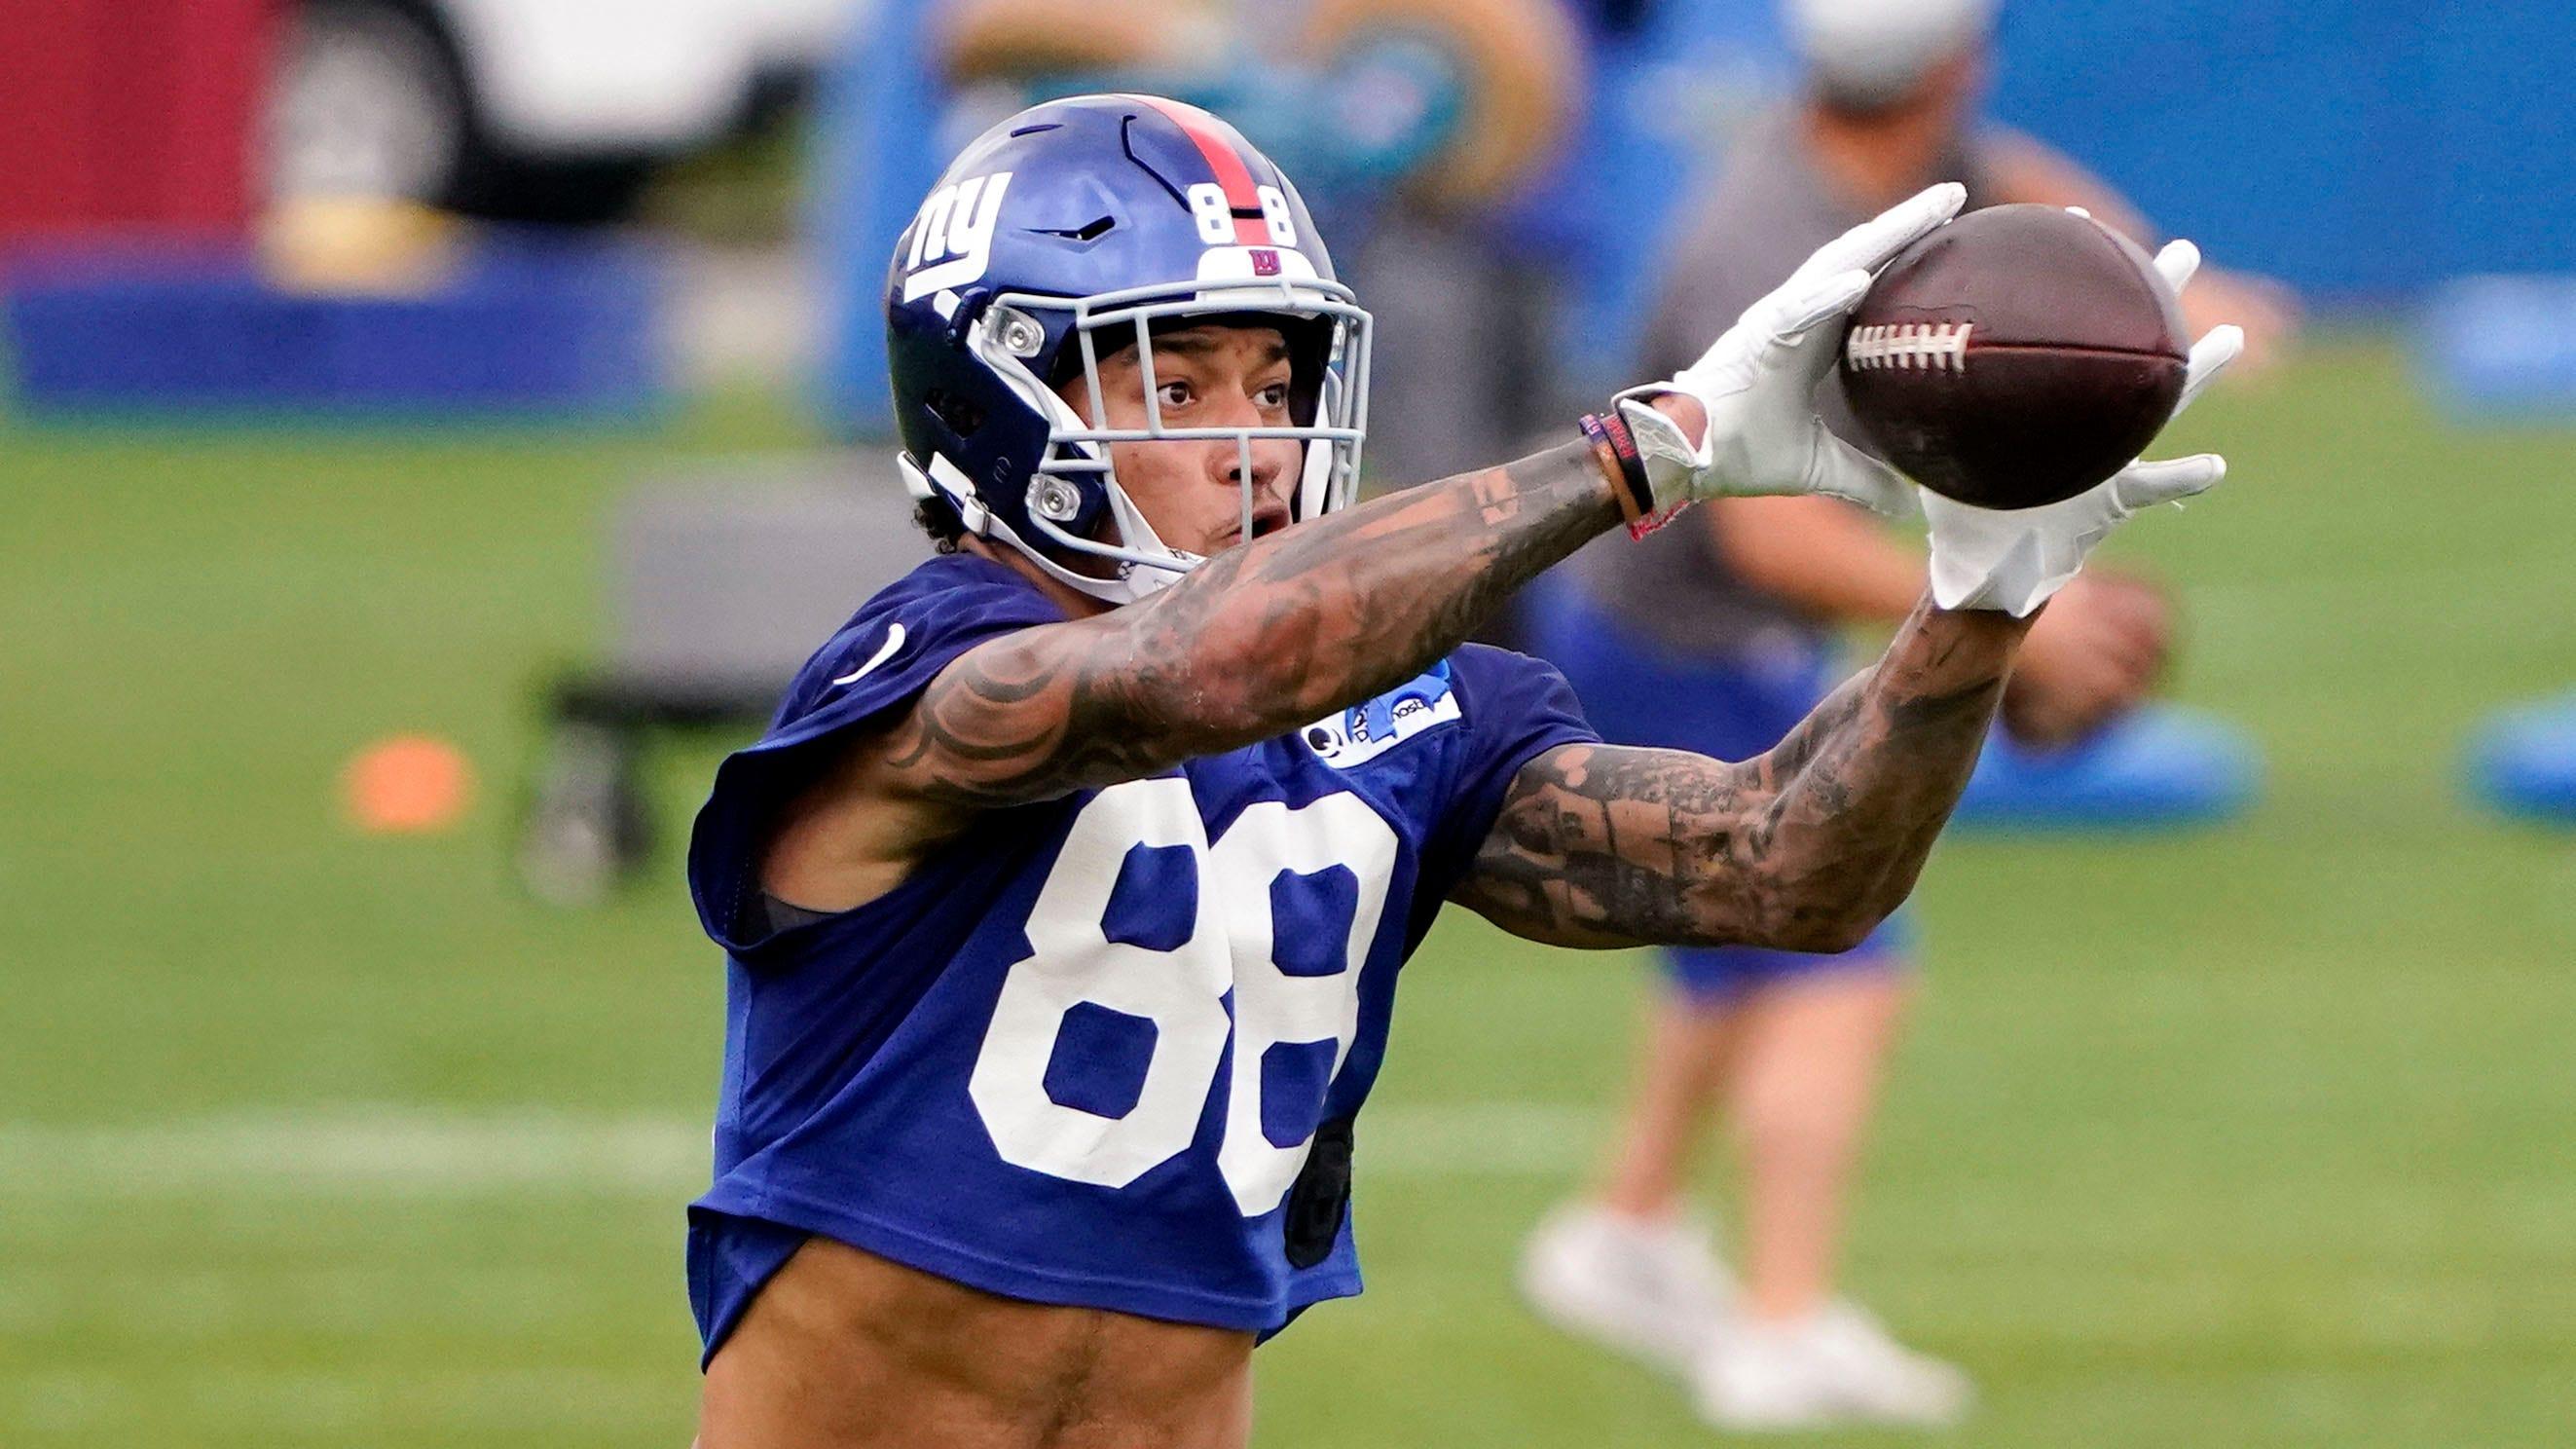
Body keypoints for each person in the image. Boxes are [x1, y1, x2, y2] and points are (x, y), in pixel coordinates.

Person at [681, 92, 2240, 1448]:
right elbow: (1198, 673)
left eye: (1275, 384)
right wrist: (1642, 450)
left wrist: (1974, 600)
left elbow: (1786, 867)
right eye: (1176, 384)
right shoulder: (921, 674)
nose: (1251, 441)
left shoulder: (1408, 723)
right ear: (995, 395)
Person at [1516, 0, 2294, 1430]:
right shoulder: (1766, 234)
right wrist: (2002, 615)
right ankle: (1779, 1321)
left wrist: (2184, 298)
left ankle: (1621, 1229)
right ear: (1953, 60)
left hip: (1663, 617)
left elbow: (2035, 195)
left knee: (1729, 953)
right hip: (1679, 626)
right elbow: (1763, 540)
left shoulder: (1911, 172)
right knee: (1838, 958)